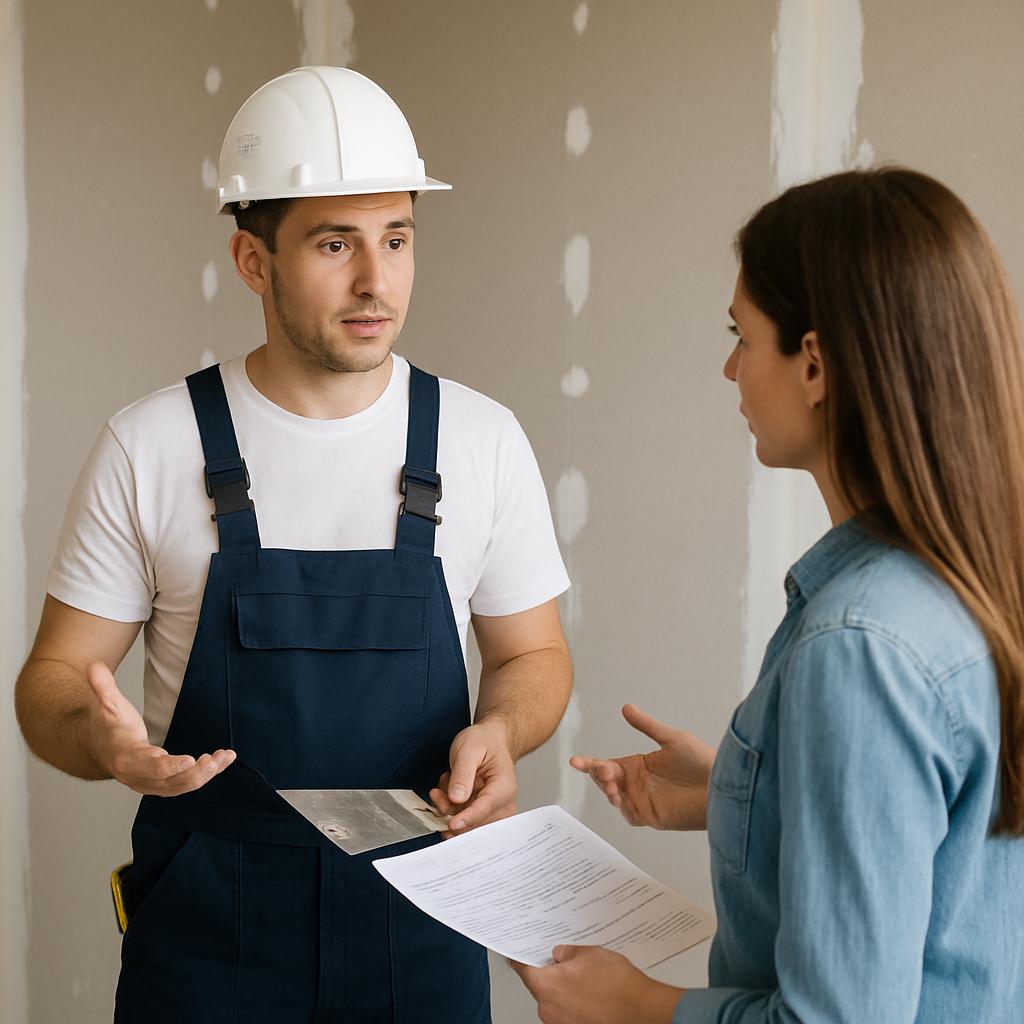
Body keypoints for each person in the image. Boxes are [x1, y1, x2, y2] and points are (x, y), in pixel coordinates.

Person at [15, 66, 572, 1023]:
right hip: (207, 939)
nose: (376, 280)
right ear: (252, 260)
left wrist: (503, 729)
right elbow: (52, 685)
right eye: (334, 244)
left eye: (397, 239)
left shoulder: (482, 441)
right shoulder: (151, 445)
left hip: (421, 925)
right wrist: (104, 745)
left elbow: (533, 655)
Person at [512, 167, 1024, 1023]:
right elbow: (946, 863)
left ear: (814, 364)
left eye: (743, 337)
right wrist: (744, 791)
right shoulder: (973, 588)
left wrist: (633, 1005)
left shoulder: (861, 646)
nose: (729, 368)